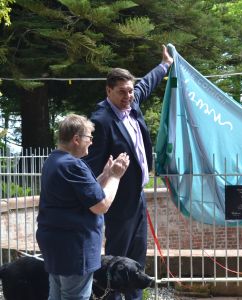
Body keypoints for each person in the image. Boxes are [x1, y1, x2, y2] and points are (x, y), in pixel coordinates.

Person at [84, 45, 173, 300]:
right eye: (122, 92)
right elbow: (90, 165)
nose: (128, 96)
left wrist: (164, 65)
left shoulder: (132, 104)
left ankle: (134, 298)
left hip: (138, 196)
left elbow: (145, 84)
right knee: (115, 261)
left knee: (136, 256)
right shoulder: (100, 121)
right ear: (108, 90)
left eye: (130, 91)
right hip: (117, 201)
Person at [36, 114, 130, 300]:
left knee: (57, 295)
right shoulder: (73, 165)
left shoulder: (54, 161)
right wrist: (116, 176)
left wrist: (105, 175)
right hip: (74, 247)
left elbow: (85, 195)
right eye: (89, 138)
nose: (91, 142)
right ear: (76, 139)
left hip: (56, 244)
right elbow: (101, 205)